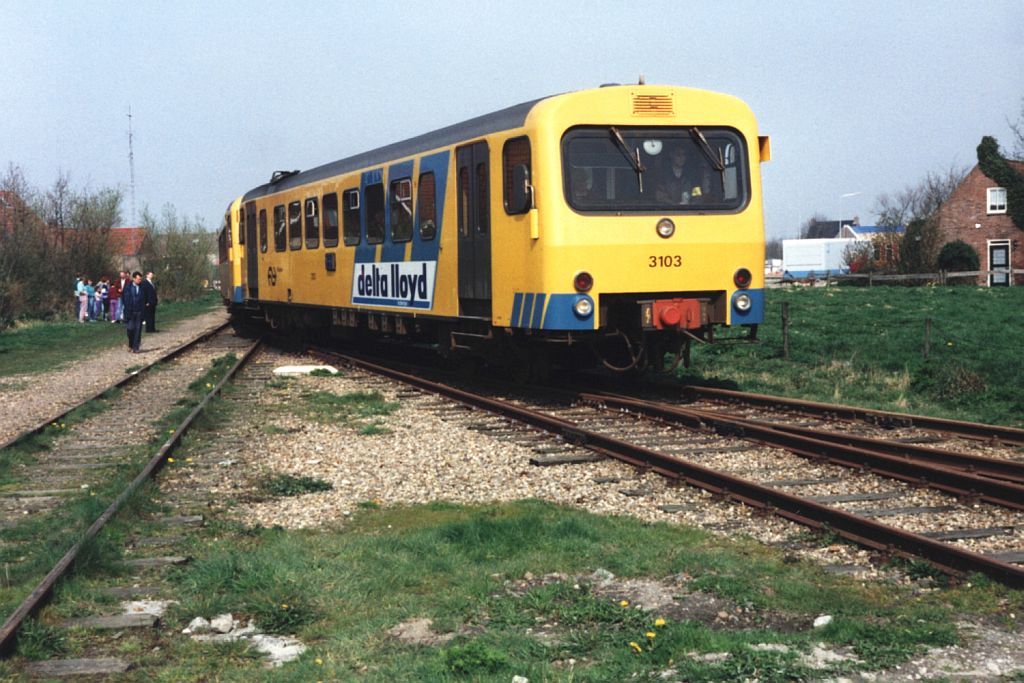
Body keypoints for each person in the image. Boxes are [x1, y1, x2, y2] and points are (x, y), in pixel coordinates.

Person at [122, 271, 146, 353]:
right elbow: (124, 299)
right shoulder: (128, 287)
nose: (140, 281)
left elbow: (144, 299)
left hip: (139, 312)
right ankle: (131, 344)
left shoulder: (142, 287)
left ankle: (136, 347)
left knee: (138, 330)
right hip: (130, 312)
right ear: (134, 278)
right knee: (130, 329)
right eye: (138, 279)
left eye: (140, 279)